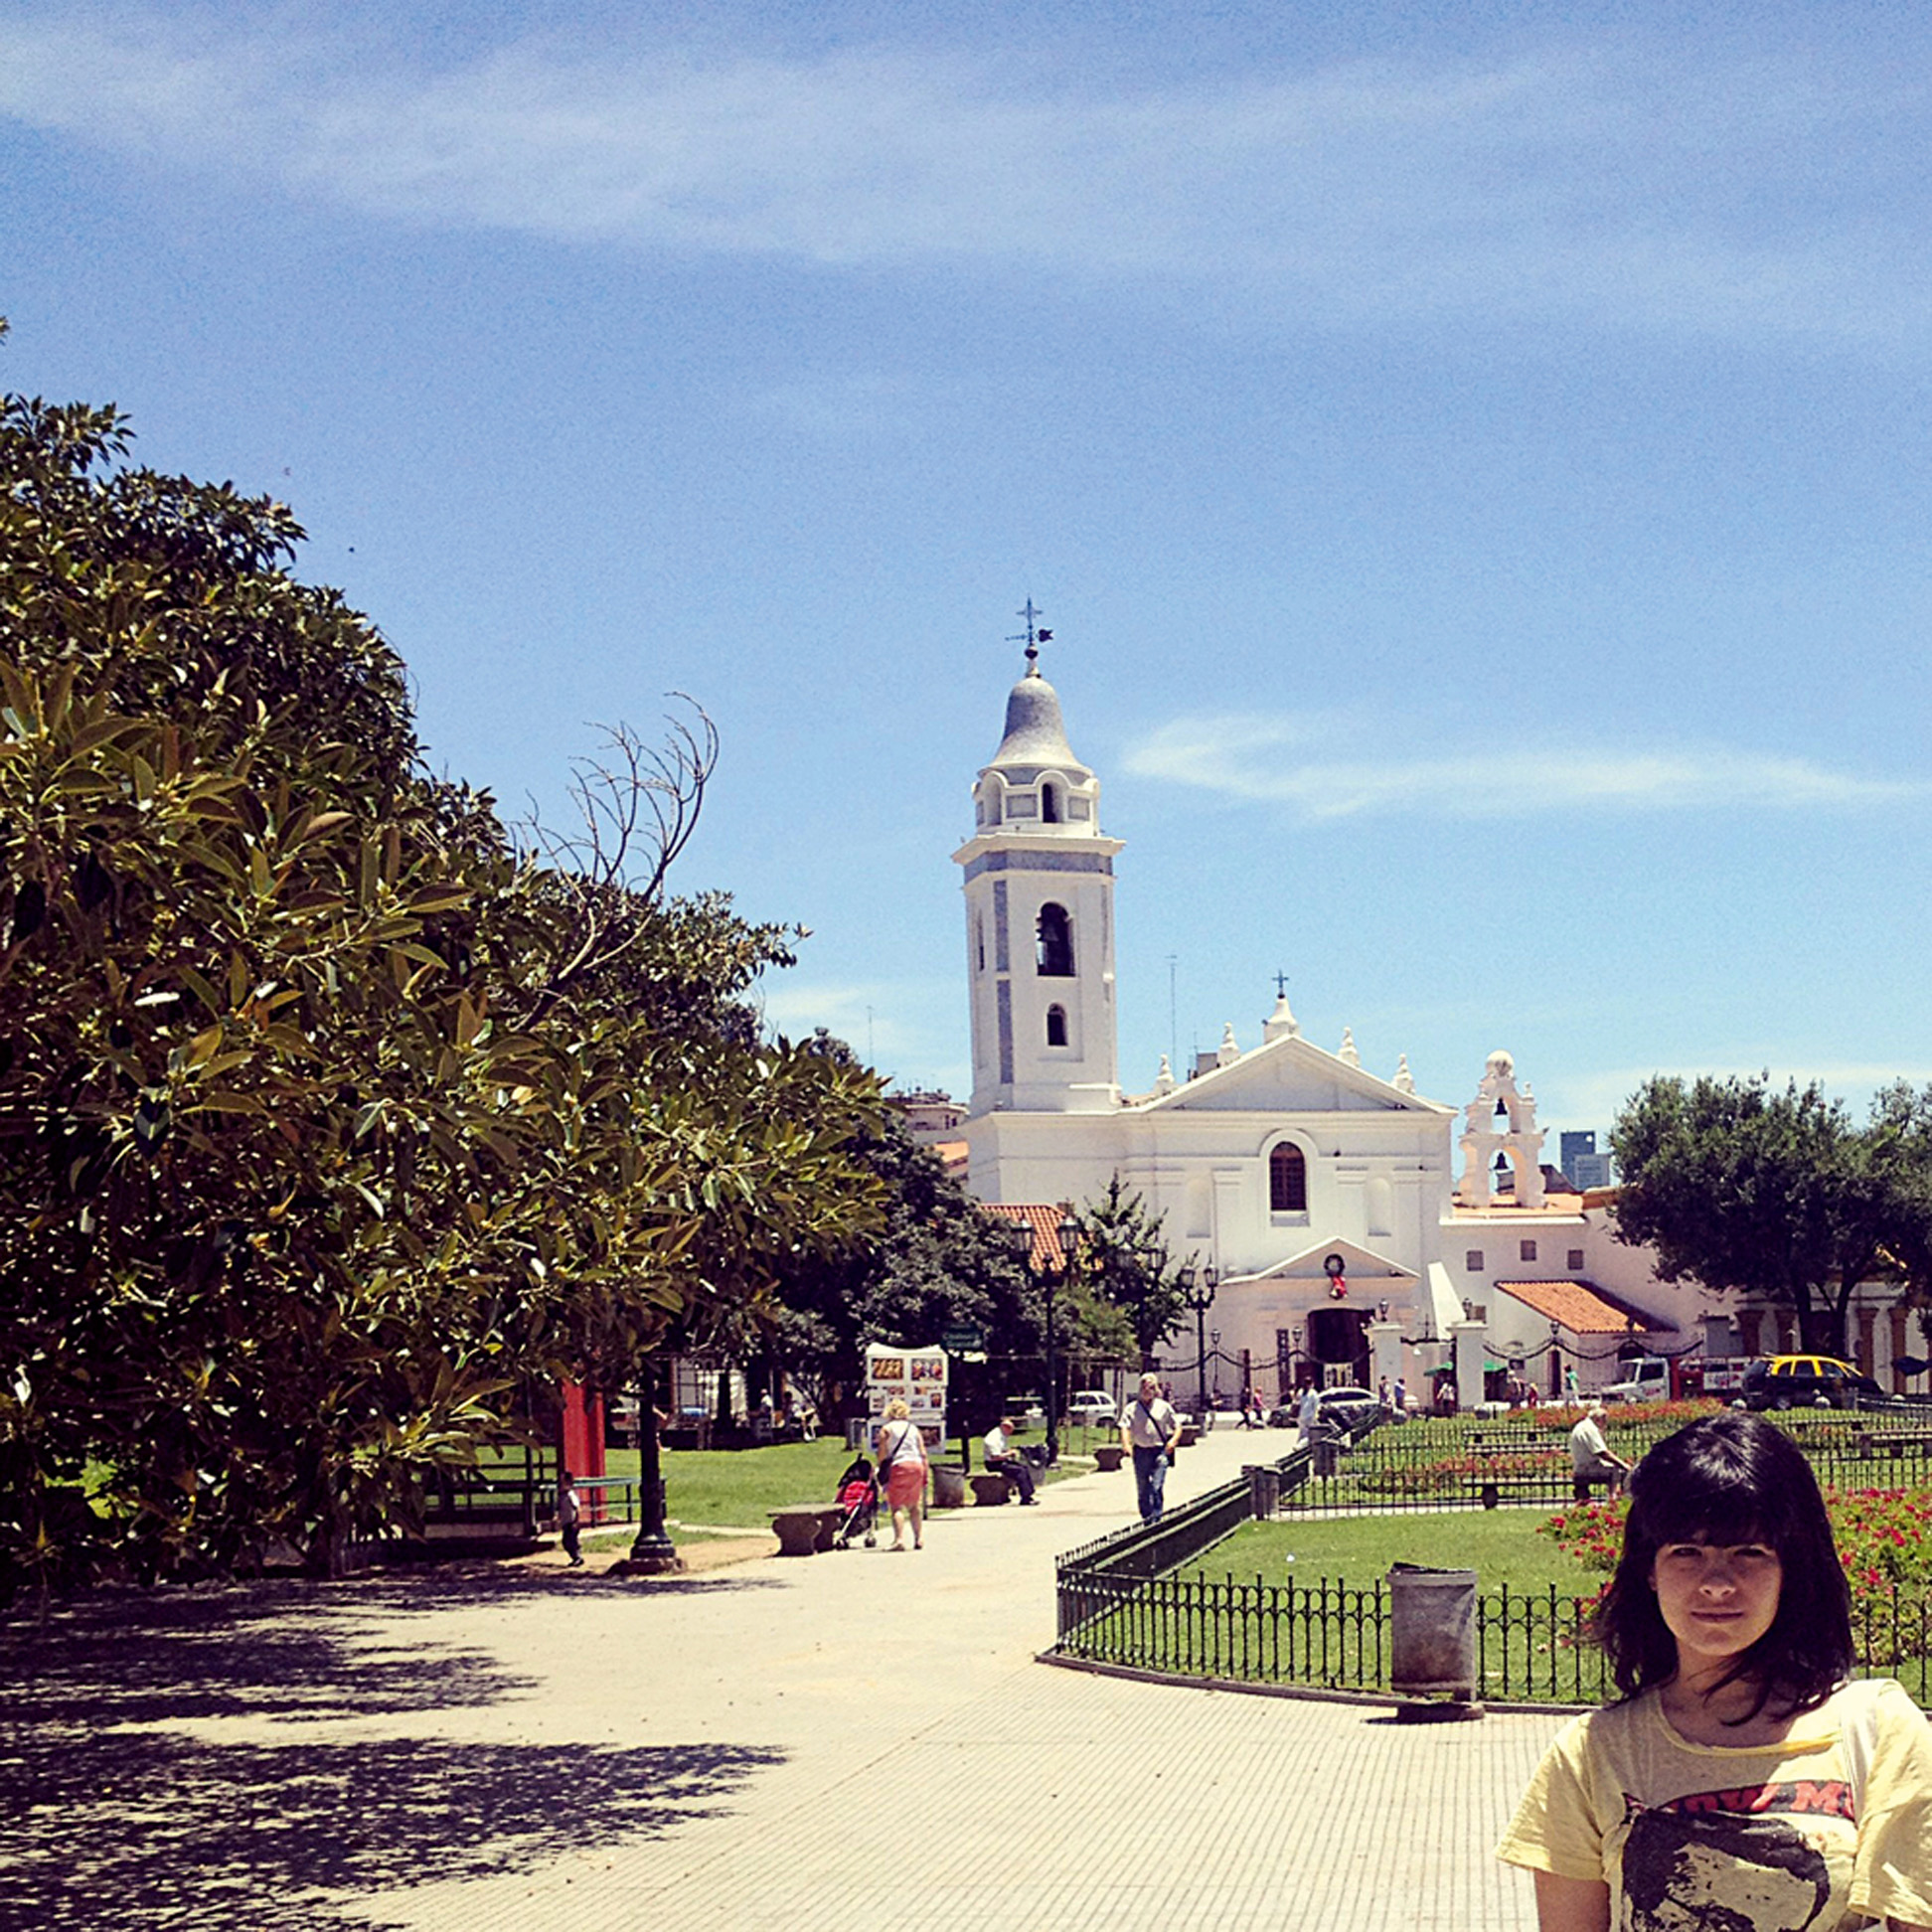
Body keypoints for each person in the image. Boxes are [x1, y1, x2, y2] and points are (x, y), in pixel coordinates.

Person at [1499, 1412, 1932, 1932]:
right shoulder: (1592, 1754)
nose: (1718, 1583)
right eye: (1687, 1552)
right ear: (1650, 1571)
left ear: (1790, 1569)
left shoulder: (1879, 1731)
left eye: (1749, 1552)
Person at [1120, 1372, 1181, 1525]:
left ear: (1156, 1389)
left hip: (1159, 1451)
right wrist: (1126, 1445)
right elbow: (1125, 1427)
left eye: (1151, 1387)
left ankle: (1157, 1516)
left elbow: (1177, 1426)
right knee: (1143, 1487)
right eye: (1144, 1386)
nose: (1147, 1390)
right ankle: (1146, 1516)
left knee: (1157, 1485)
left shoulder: (1164, 1407)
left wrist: (1173, 1441)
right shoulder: (1131, 1409)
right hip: (1141, 1451)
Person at [873, 1398, 929, 1550]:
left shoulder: (886, 1429)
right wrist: (926, 1473)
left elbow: (882, 1452)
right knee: (913, 1505)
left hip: (899, 1465)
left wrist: (880, 1465)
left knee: (896, 1506)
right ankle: (919, 1538)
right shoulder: (913, 1429)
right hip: (917, 1466)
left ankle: (899, 1540)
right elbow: (923, 1452)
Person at [1568, 1399, 1630, 1501]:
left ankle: (1613, 1495)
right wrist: (1624, 1465)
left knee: (1615, 1468)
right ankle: (1614, 1498)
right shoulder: (1590, 1429)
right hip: (1587, 1468)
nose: (1604, 1425)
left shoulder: (1583, 1426)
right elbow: (1602, 1452)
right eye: (1604, 1421)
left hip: (1582, 1466)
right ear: (1598, 1419)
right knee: (1619, 1470)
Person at [982, 1415, 1038, 1504]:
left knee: (1024, 1467)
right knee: (1019, 1471)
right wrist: (1010, 1453)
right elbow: (995, 1457)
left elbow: (1002, 1450)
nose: (1011, 1433)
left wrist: (1009, 1451)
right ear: (1005, 1427)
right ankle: (1025, 1498)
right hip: (993, 1464)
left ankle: (1029, 1493)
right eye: (1010, 1430)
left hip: (1001, 1461)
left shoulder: (1001, 1435)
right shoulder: (992, 1438)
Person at [557, 1468, 584, 1567]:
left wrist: (577, 1521)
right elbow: (560, 1509)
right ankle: (576, 1557)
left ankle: (577, 1557)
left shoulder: (570, 1495)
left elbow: (577, 1508)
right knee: (566, 1541)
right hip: (565, 1522)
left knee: (571, 1541)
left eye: (562, 1482)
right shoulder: (561, 1496)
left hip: (571, 1522)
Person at [1297, 1382, 1322, 1447]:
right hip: (1310, 1416)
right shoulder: (1313, 1393)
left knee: (1302, 1432)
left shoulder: (1301, 1392)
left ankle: (1299, 1445)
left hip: (1301, 1416)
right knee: (1309, 1433)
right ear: (1311, 1384)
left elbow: (1297, 1403)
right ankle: (1302, 1446)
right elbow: (1316, 1405)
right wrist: (1315, 1416)